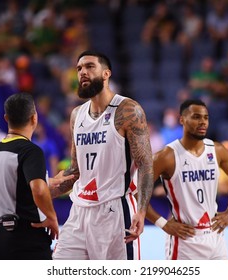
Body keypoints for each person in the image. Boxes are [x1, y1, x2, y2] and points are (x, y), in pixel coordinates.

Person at [50, 50, 154, 260]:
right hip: (79, 210)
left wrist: (141, 211)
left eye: (89, 66)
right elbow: (76, 170)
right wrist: (45, 191)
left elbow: (145, 164)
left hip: (114, 210)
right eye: (79, 68)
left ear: (106, 74)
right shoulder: (76, 115)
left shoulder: (128, 110)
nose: (83, 72)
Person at [146, 99, 228, 260]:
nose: (203, 122)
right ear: (182, 120)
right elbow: (137, 192)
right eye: (196, 117)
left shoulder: (217, 150)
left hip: (215, 237)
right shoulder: (166, 156)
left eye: (206, 117)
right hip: (185, 241)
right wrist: (163, 224)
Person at [0, 92, 73, 260]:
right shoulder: (30, 151)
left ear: (6, 118)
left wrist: (51, 181)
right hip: (26, 238)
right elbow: (38, 190)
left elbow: (16, 186)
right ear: (34, 118)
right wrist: (52, 217)